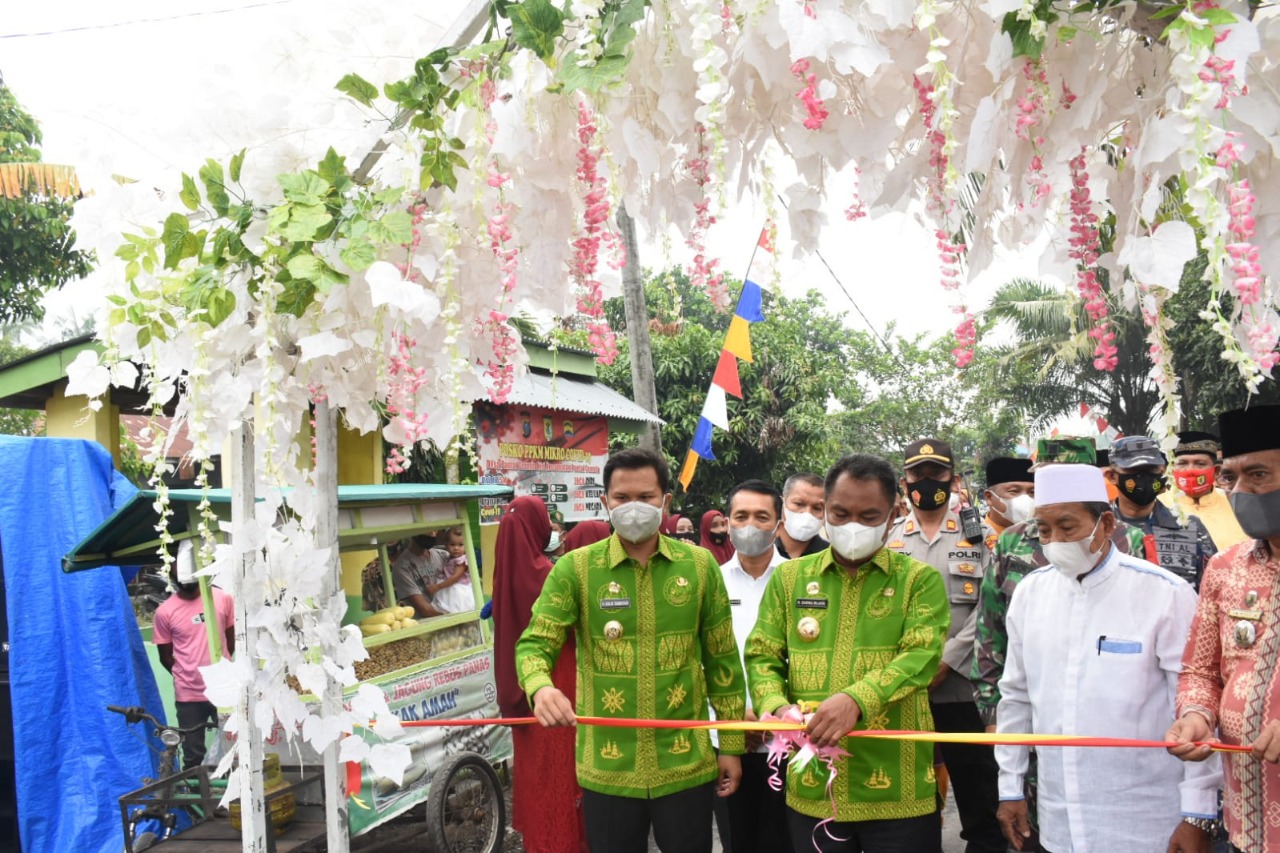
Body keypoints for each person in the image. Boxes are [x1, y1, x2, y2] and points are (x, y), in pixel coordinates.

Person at [516, 448, 747, 853]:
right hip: (606, 766)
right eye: (622, 498)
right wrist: (540, 687)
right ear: (605, 502)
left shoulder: (699, 566)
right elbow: (536, 642)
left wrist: (729, 745)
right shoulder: (575, 568)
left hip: (685, 763)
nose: (634, 507)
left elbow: (722, 660)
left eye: (646, 497)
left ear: (666, 502)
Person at [996, 463, 1219, 853]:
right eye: (1044, 530)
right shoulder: (1030, 595)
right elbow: (1015, 698)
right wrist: (1010, 788)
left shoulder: (1163, 594)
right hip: (1059, 818)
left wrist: (1196, 813)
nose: (1056, 541)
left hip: (1147, 821)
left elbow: (1194, 708)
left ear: (1106, 523)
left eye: (1068, 527)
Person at [745, 454, 949, 852]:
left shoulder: (918, 581)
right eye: (839, 513)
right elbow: (762, 653)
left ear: (893, 515)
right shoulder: (790, 578)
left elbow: (921, 656)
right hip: (813, 783)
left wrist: (857, 699)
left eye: (868, 516)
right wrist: (776, 707)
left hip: (897, 785)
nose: (851, 526)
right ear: (825, 511)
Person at [972, 437, 1148, 852]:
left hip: (1107, 720)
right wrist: (992, 716)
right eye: (1042, 478)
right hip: (1032, 712)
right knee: (1035, 828)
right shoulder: (1014, 542)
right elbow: (991, 633)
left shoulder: (1128, 540)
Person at [1167, 404, 1280, 853]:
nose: (1241, 491)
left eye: (1258, 475)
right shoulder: (1224, 567)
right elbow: (1201, 670)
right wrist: (1196, 716)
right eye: (1231, 478)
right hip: (1244, 824)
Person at [886, 438, 1005, 853]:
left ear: (952, 480)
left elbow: (991, 607)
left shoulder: (982, 537)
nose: (926, 482)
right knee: (911, 796)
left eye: (935, 474)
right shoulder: (890, 539)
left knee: (978, 796)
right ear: (905, 482)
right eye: (917, 475)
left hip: (963, 688)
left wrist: (947, 660)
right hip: (908, 689)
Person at [492, 496, 586, 853]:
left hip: (522, 689)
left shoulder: (503, 572)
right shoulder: (550, 574)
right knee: (560, 771)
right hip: (555, 682)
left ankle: (542, 840)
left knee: (536, 775)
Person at [713, 479, 793, 853]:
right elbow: (702, 663)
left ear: (778, 526)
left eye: (762, 517)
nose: (750, 525)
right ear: (727, 523)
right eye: (740, 516)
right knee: (737, 841)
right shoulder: (710, 582)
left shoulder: (801, 581)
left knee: (787, 840)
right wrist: (732, 718)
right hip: (728, 742)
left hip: (790, 743)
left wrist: (772, 714)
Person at [152, 540, 235, 769]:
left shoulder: (223, 598)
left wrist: (219, 669)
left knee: (234, 749)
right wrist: (188, 674)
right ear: (172, 573)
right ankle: (196, 802)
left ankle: (234, 802)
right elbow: (165, 656)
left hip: (224, 689)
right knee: (193, 755)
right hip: (189, 697)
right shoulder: (165, 612)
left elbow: (230, 639)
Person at [1106, 435, 1217, 588]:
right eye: (1134, 470)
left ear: (1164, 471)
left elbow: (1212, 588)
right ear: (1112, 476)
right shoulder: (1098, 529)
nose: (1145, 477)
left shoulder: (1188, 526)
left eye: (1152, 469)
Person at [1160, 431, 1250, 551]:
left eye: (1200, 464)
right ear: (1171, 470)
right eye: (1182, 463)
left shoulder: (1237, 504)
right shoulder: (1157, 506)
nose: (1190, 470)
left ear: (1217, 471)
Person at [391, 533, 445, 618]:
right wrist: (455, 614)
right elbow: (424, 610)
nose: (433, 534)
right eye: (428, 530)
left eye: (435, 530)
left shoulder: (443, 555)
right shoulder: (402, 566)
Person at [776, 473, 828, 559]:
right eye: (799, 504)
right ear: (782, 504)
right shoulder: (761, 550)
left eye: (817, 508)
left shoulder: (832, 559)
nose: (807, 514)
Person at [982, 457, 1035, 540]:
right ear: (989, 497)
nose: (1026, 498)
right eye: (1014, 491)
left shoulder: (1044, 536)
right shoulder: (977, 540)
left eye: (1032, 492)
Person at [430, 527, 477, 614]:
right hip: (449, 590)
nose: (456, 548)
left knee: (457, 610)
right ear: (446, 545)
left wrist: (437, 587)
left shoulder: (462, 561)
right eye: (452, 544)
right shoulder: (448, 558)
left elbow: (455, 577)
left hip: (458, 591)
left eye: (460, 545)